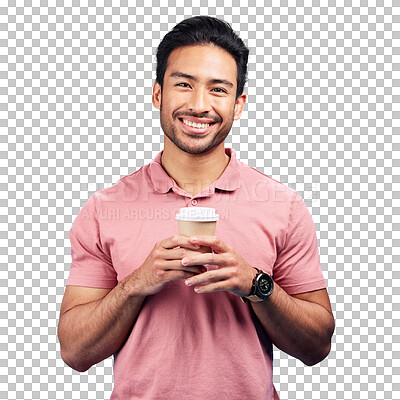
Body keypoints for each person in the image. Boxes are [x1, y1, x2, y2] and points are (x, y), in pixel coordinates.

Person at [58, 16, 335, 399]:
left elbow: (317, 346)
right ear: (158, 94)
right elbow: (75, 352)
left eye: (218, 89)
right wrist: (137, 284)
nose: (199, 105)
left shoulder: (283, 206)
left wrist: (256, 285)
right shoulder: (105, 208)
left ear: (238, 105)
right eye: (184, 84)